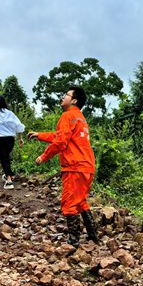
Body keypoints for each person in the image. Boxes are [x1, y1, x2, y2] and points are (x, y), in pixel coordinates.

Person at [28, 86, 98, 246]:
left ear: (74, 100)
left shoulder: (67, 116)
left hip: (74, 167)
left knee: (68, 204)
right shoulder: (79, 118)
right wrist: (40, 135)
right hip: (86, 166)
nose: (62, 97)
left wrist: (43, 157)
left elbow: (60, 141)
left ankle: (73, 242)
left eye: (66, 95)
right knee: (80, 201)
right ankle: (93, 236)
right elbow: (61, 136)